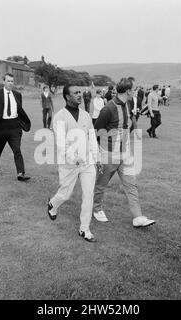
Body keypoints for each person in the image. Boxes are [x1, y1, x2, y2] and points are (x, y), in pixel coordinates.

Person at [93, 77, 155, 228]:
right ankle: (96, 209)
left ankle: (138, 217)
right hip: (108, 154)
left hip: (125, 154)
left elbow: (128, 125)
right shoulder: (108, 108)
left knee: (131, 185)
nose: (134, 91)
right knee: (101, 185)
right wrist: (98, 155)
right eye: (133, 89)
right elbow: (96, 131)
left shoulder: (127, 104)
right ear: (128, 91)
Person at [47, 84, 99, 243]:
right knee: (65, 194)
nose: (80, 95)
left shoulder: (86, 115)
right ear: (67, 97)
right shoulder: (59, 117)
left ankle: (84, 228)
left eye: (80, 92)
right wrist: (74, 157)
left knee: (88, 194)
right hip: (69, 163)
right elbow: (62, 144)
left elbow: (92, 137)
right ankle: (53, 204)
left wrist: (96, 158)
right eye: (76, 93)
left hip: (87, 163)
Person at [0, 73, 31, 181]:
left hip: (15, 127)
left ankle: (20, 173)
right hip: (0, 127)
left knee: (17, 150)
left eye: (12, 81)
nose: (10, 83)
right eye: (8, 81)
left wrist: (21, 123)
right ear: (4, 81)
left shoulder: (17, 95)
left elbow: (19, 111)